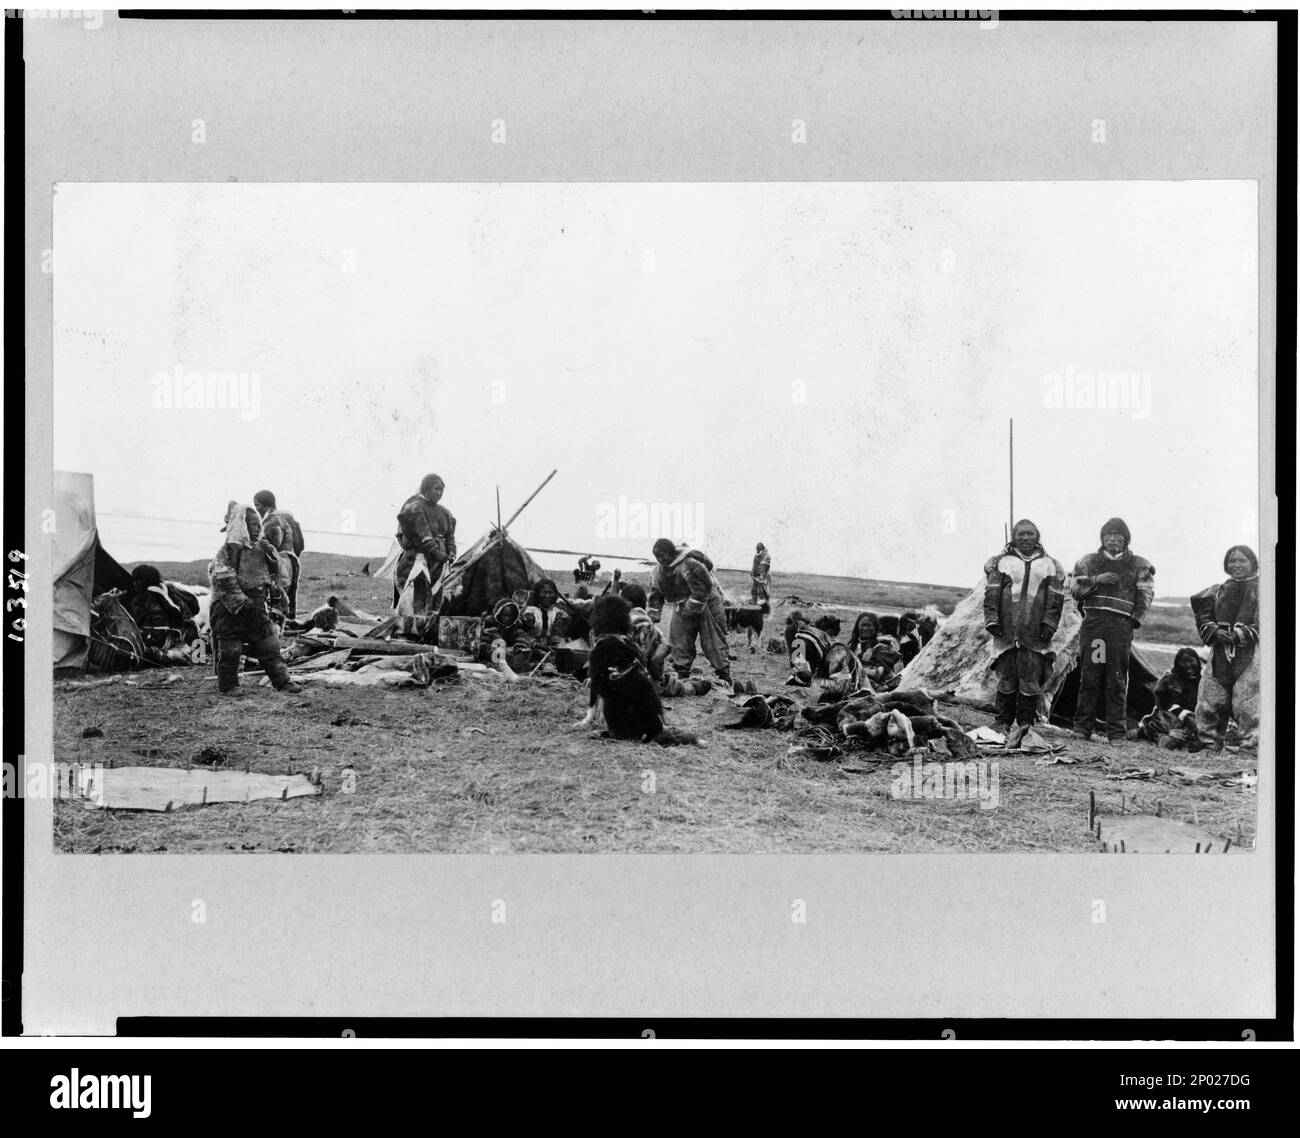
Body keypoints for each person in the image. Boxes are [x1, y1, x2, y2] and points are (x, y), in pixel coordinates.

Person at [1069, 517, 1155, 743]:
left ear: (1126, 540)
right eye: (1109, 535)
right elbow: (1075, 590)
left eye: (1119, 536)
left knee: (1116, 678)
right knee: (1092, 674)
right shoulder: (1088, 562)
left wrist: (1133, 621)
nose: (1113, 540)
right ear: (1102, 538)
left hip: (1119, 627)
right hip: (1095, 625)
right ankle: (1082, 728)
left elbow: (1145, 595)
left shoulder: (1140, 565)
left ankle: (1115, 732)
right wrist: (1097, 579)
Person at [983, 519, 1067, 747]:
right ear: (1014, 536)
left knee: (1030, 677)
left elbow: (1055, 599)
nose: (1026, 538)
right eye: (1021, 534)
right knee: (1007, 675)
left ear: (1037, 536)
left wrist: (1049, 624)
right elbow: (991, 593)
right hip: (1007, 630)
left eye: (1030, 534)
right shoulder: (1001, 563)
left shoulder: (1050, 565)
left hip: (1034, 632)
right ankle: (1002, 721)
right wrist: (991, 619)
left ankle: (1025, 723)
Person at [208, 501, 301, 696]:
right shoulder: (228, 551)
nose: (257, 528)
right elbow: (222, 578)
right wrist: (241, 601)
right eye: (252, 524)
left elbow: (273, 575)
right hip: (229, 608)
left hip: (256, 606)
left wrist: (271, 555)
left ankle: (282, 682)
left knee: (269, 644)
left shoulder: (261, 550)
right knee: (231, 648)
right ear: (241, 525)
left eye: (258, 524)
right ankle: (229, 686)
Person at [1191, 544, 1260, 750]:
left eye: (1242, 560)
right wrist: (1215, 631)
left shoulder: (1264, 589)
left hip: (1250, 653)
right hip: (1220, 652)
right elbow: (1203, 617)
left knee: (1247, 700)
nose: (1236, 565)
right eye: (1232, 561)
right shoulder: (1218, 590)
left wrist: (1240, 634)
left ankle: (1250, 744)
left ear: (1253, 563)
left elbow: (1266, 620)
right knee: (1211, 697)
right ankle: (1209, 741)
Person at [647, 538, 732, 685]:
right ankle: (682, 671)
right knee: (679, 639)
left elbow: (703, 588)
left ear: (671, 553)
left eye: (663, 556)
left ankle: (724, 674)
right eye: (657, 557)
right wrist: (654, 614)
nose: (660, 559)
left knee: (713, 641)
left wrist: (692, 607)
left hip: (706, 603)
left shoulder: (689, 564)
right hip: (681, 605)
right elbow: (656, 593)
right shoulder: (658, 572)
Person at [393, 474, 457, 628]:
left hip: (438, 564)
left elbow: (450, 536)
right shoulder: (414, 506)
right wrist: (434, 551)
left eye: (441, 490)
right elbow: (422, 533)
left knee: (435, 597)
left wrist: (452, 551)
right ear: (426, 488)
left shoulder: (444, 512)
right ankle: (408, 630)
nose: (439, 493)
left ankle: (427, 628)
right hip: (417, 561)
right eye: (436, 489)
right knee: (415, 596)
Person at [1133, 648, 1205, 751]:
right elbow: (1162, 701)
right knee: (1168, 730)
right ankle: (1145, 733)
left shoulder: (1203, 680)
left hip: (1193, 716)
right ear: (1177, 664)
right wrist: (1184, 715)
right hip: (1169, 715)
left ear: (1197, 662)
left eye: (1191, 661)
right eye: (1184, 662)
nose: (1188, 665)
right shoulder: (1171, 679)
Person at [253, 490, 304, 618]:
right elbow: (299, 546)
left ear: (266, 505)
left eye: (257, 505)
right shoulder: (286, 518)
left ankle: (277, 629)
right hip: (290, 561)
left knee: (278, 598)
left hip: (279, 563)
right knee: (288, 597)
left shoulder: (273, 521)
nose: (256, 508)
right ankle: (287, 623)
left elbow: (275, 543)